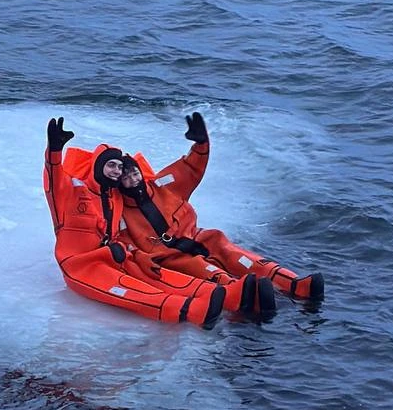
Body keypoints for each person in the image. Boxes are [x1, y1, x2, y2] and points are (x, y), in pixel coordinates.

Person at [118, 112, 325, 302]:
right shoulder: (121, 209)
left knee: (236, 256)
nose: (133, 180)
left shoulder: (162, 184)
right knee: (208, 271)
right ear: (120, 182)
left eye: (135, 173)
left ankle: (294, 284)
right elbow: (125, 242)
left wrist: (201, 143)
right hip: (168, 256)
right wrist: (143, 258)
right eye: (126, 177)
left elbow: (190, 168)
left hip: (196, 237)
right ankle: (247, 295)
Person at [43, 116, 226, 329]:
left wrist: (137, 255)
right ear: (99, 165)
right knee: (138, 292)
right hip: (82, 267)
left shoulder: (117, 197)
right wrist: (54, 151)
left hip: (115, 256)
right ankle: (192, 310)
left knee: (157, 276)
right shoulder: (70, 192)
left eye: (120, 168)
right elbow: (53, 178)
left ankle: (220, 293)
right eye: (111, 165)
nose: (117, 172)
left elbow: (182, 174)